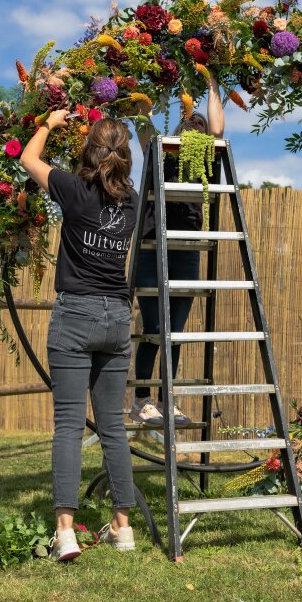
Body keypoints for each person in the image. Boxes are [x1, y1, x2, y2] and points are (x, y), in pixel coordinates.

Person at [21, 111, 138, 561]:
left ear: (89, 151)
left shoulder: (74, 189)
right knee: (113, 426)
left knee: (69, 425)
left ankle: (66, 534)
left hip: (76, 314)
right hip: (117, 318)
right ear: (125, 155)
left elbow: (29, 158)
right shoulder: (131, 200)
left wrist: (49, 123)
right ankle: (122, 528)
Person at [129, 75, 224, 427]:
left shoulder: (205, 163)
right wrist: (142, 92)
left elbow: (217, 129)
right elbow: (143, 125)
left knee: (177, 331)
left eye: (199, 124)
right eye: (189, 123)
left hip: (186, 250)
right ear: (178, 131)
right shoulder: (161, 155)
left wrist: (212, 84)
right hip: (153, 248)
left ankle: (166, 401)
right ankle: (141, 400)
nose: (195, 125)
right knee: (154, 326)